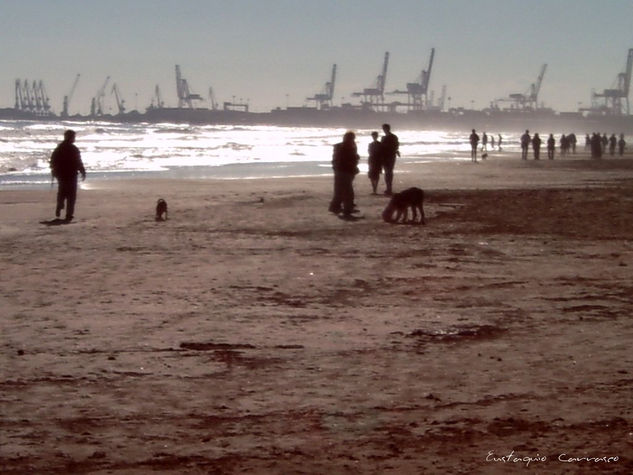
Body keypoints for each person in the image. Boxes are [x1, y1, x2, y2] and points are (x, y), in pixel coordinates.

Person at [50, 129, 86, 222]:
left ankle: (60, 204)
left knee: (62, 191)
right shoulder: (73, 149)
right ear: (71, 138)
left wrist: (54, 170)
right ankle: (69, 214)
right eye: (73, 137)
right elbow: (78, 161)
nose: (74, 139)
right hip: (71, 174)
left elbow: (53, 161)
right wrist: (82, 171)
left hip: (61, 174)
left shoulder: (59, 148)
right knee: (71, 195)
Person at [329, 131, 360, 218]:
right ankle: (347, 209)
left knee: (339, 190)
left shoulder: (341, 146)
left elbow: (338, 160)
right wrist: (354, 163)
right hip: (344, 171)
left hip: (341, 170)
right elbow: (347, 159)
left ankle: (335, 207)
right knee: (347, 191)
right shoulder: (346, 147)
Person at [380, 123, 400, 195]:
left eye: (385, 128)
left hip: (390, 156)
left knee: (389, 172)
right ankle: (388, 188)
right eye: (383, 129)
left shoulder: (392, 137)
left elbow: (396, 145)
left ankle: (389, 188)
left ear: (388, 128)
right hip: (386, 156)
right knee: (387, 172)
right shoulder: (385, 137)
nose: (384, 130)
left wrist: (395, 151)